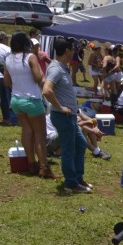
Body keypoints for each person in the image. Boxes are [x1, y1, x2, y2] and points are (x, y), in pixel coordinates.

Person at [42, 38, 91, 194]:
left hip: (70, 116)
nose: (74, 52)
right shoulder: (56, 69)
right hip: (62, 116)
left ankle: (77, 178)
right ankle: (71, 183)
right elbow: (47, 90)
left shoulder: (63, 68)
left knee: (81, 144)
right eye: (72, 49)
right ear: (67, 51)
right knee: (69, 149)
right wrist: (60, 107)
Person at [2, 32, 52, 179]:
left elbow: (6, 82)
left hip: (16, 100)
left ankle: (31, 164)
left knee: (27, 131)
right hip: (32, 100)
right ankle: (44, 167)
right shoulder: (30, 57)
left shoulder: (8, 58)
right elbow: (38, 78)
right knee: (40, 135)